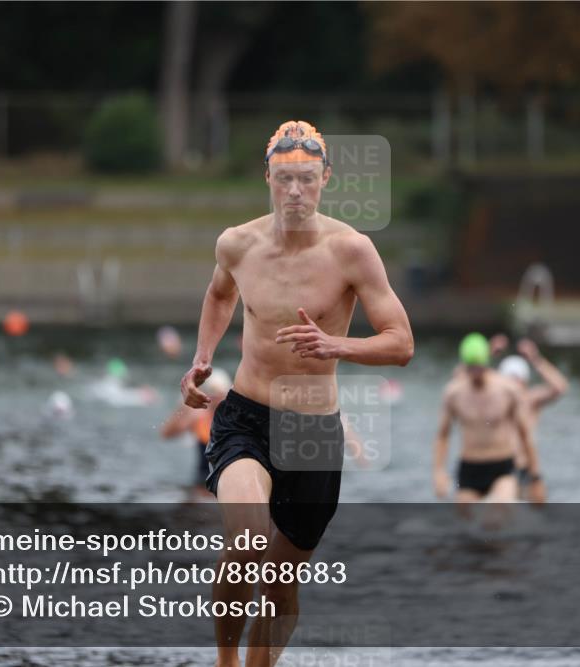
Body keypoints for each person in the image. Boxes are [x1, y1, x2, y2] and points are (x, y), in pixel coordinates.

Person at [179, 120, 413, 667]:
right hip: (246, 415)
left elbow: (401, 344)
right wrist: (202, 358)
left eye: (306, 179)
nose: (294, 192)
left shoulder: (352, 251)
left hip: (313, 429)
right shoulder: (237, 244)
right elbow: (218, 297)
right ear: (268, 177)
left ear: (325, 178)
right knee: (247, 542)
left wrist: (335, 344)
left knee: (282, 587)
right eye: (284, 180)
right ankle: (225, 662)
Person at [432, 333, 539, 504]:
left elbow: (525, 434)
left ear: (486, 363)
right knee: (466, 527)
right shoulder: (454, 393)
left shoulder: (507, 390)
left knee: (496, 513)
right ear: (465, 366)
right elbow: (443, 435)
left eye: (479, 367)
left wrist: (535, 477)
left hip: (501, 466)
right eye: (471, 368)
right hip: (469, 467)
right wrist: (438, 472)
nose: (475, 373)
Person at [494, 336, 568, 504]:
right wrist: (488, 356)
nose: (513, 384)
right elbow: (461, 385)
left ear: (524, 381)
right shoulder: (493, 401)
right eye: (509, 379)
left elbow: (560, 387)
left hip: (525, 467)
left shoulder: (530, 401)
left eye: (517, 379)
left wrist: (536, 359)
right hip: (499, 466)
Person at [161, 368, 232, 497]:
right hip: (201, 480)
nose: (216, 398)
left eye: (220, 393)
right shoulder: (198, 416)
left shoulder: (234, 417)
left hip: (228, 480)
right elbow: (165, 434)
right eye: (212, 393)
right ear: (206, 394)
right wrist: (183, 407)